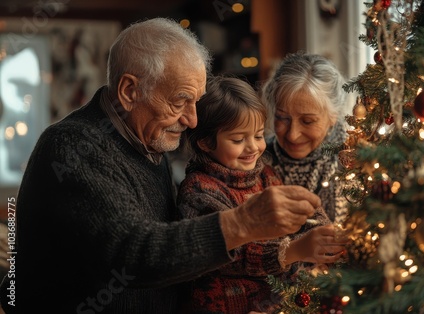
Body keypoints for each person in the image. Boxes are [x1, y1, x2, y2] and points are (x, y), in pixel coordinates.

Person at [0, 19, 322, 314]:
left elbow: (172, 248)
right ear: (129, 91)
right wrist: (243, 222)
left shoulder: (149, 141)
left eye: (195, 101)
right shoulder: (71, 147)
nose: (193, 119)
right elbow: (134, 254)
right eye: (180, 100)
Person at [177, 76, 346, 313]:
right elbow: (230, 253)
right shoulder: (199, 190)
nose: (253, 147)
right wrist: (295, 250)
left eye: (257, 135)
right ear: (205, 142)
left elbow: (303, 219)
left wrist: (325, 234)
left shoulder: (265, 174)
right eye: (238, 139)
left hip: (280, 302)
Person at [260, 52, 353, 225]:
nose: (293, 135)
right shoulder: (255, 161)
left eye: (308, 121)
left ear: (334, 115)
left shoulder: (355, 165)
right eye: (282, 117)